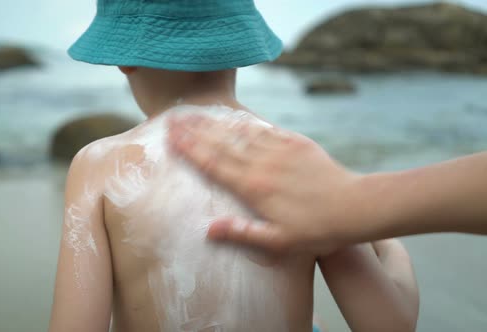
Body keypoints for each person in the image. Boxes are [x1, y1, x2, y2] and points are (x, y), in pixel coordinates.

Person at [49, 1, 419, 331]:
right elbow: (389, 324)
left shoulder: (97, 165)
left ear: (123, 58)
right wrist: (390, 247)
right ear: (238, 47)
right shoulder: (300, 158)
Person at [167, 114, 487, 255]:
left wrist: (357, 204)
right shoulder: (294, 162)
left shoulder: (113, 159)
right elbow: (387, 324)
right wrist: (389, 246)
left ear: (127, 65)